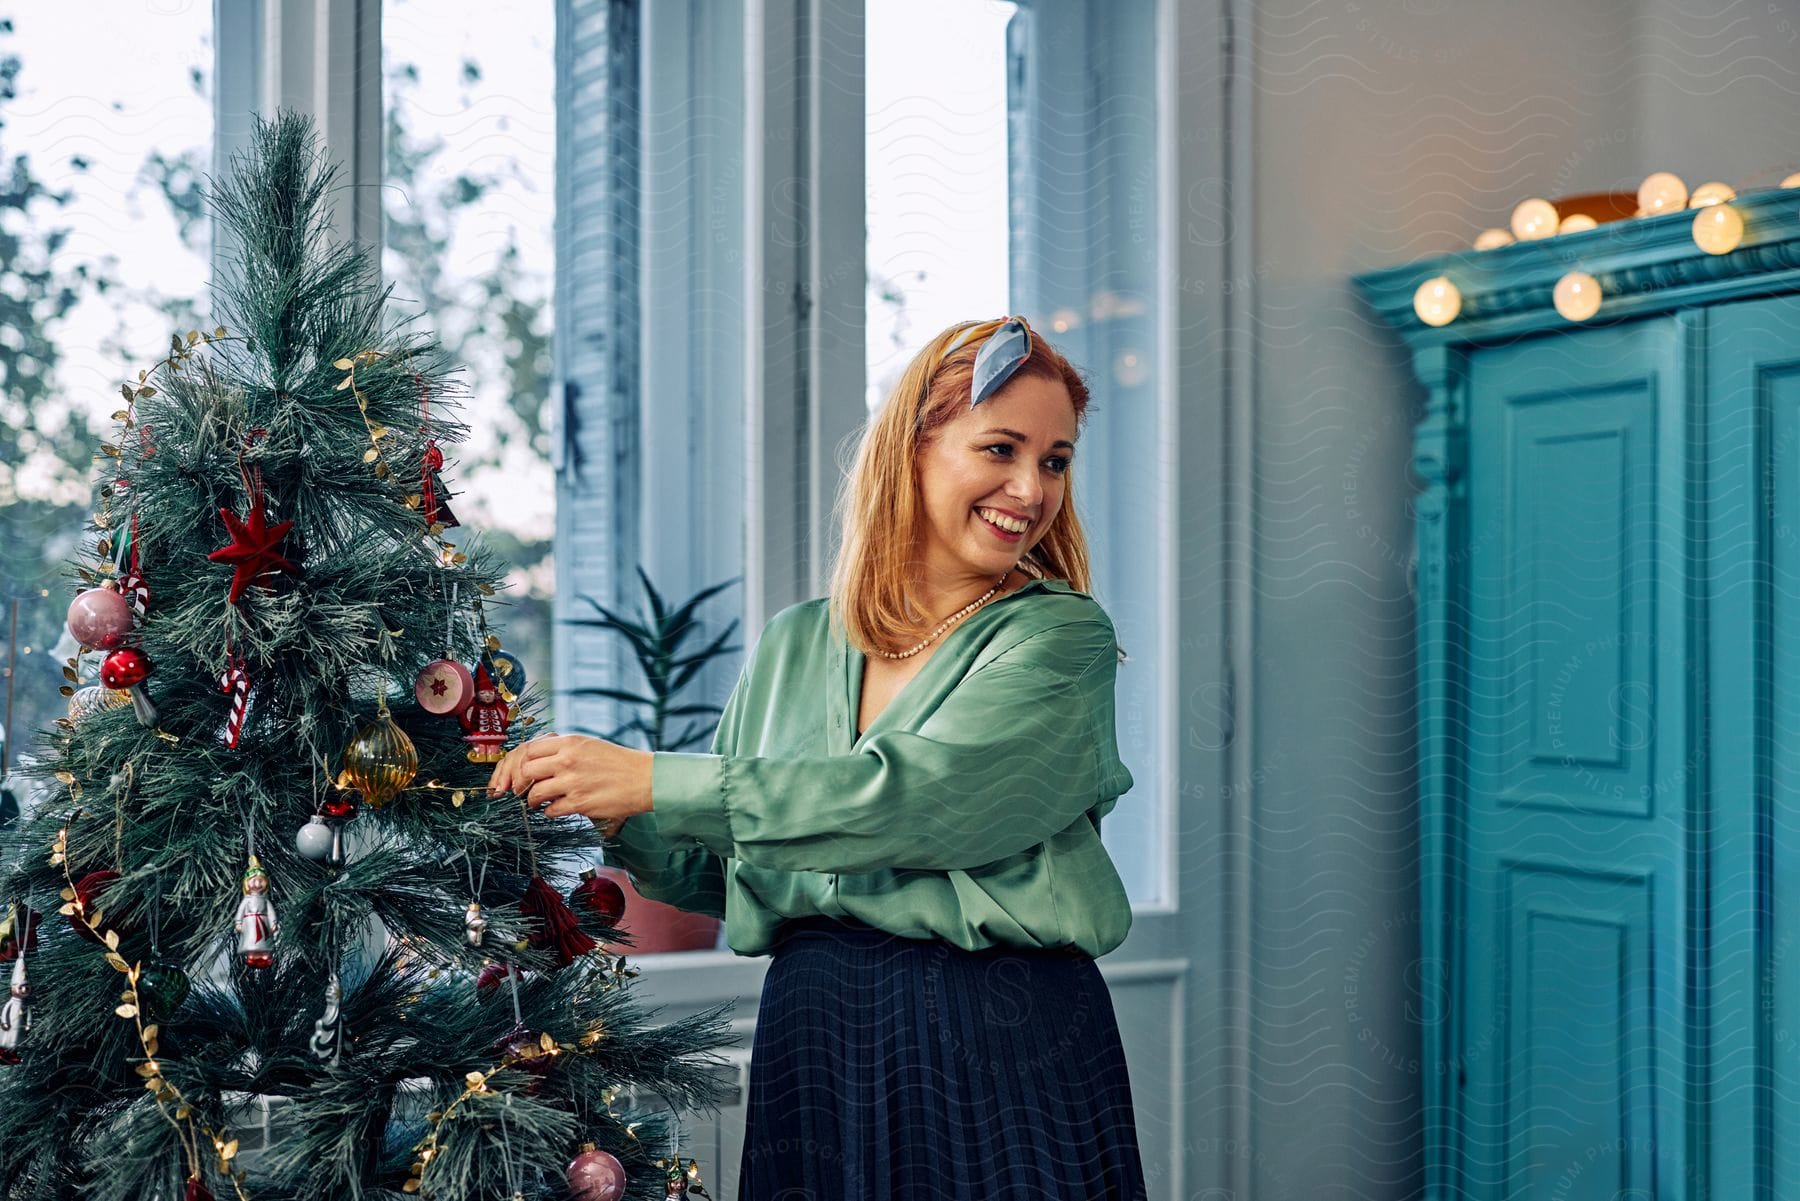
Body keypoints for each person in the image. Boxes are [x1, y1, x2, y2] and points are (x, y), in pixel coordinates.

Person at [487, 315, 1148, 1199]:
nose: (1030, 488)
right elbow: (728, 864)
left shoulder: (1058, 635)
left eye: (1055, 459)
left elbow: (917, 801)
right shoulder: (796, 641)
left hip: (999, 1030)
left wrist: (653, 777)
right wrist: (616, 810)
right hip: (819, 1034)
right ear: (912, 448)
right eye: (1001, 448)